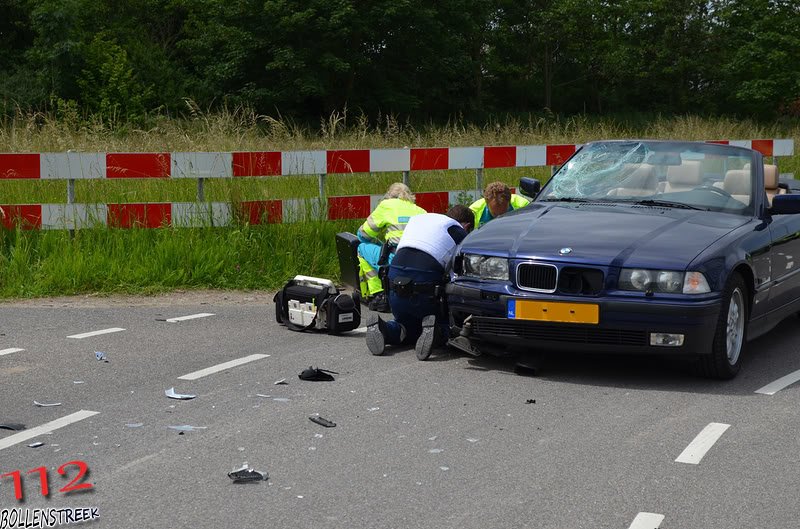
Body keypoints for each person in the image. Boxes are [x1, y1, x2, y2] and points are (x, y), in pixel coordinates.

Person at [366, 204, 474, 360]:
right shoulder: (458, 231)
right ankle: (436, 330)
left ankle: (384, 329)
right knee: (448, 328)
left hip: (394, 284)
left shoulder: (420, 221)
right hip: (425, 290)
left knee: (405, 327)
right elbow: (458, 275)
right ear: (467, 226)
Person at [357, 183, 426, 312]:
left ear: (389, 195)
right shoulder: (420, 210)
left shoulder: (386, 206)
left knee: (362, 248)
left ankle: (378, 294)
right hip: (419, 261)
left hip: (396, 259)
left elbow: (364, 234)